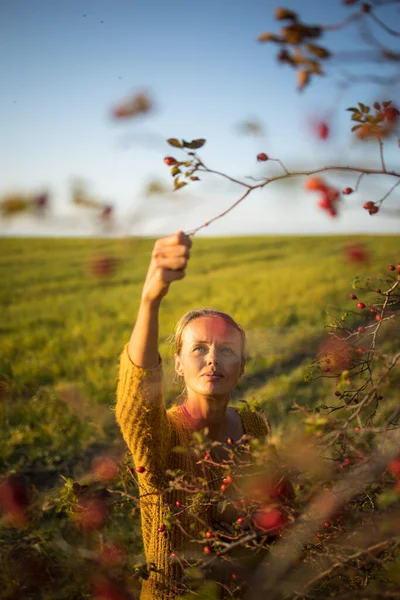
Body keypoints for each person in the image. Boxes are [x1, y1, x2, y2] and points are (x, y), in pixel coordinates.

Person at [116, 231, 273, 599]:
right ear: (179, 365)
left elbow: (280, 512)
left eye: (227, 350)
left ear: (242, 366)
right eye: (199, 348)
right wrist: (150, 300)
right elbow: (137, 403)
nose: (213, 359)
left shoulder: (255, 426)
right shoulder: (164, 436)